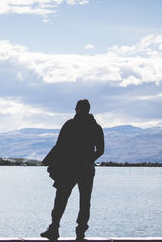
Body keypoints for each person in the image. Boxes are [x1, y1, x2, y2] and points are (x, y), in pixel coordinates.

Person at [41, 99, 104, 241]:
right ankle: (80, 233)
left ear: (79, 109)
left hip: (69, 169)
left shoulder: (70, 124)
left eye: (76, 108)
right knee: (85, 201)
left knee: (61, 199)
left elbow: (59, 146)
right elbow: (100, 150)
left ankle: (54, 229)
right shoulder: (96, 127)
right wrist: (88, 161)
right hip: (87, 170)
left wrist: (49, 162)